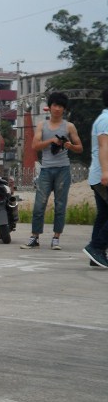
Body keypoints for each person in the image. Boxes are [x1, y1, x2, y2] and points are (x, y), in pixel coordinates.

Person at [20, 92, 83, 250]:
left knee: (60, 204)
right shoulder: (42, 125)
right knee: (39, 204)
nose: (57, 109)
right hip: (46, 169)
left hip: (63, 168)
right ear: (49, 107)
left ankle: (56, 238)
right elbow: (34, 146)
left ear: (64, 109)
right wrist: (52, 140)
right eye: (55, 105)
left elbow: (80, 148)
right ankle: (35, 237)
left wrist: (69, 146)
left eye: (60, 106)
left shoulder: (69, 126)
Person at [83, 89, 108, 268]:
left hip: (97, 175)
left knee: (104, 215)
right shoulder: (106, 119)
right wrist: (106, 172)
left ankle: (95, 256)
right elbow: (103, 146)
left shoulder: (103, 118)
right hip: (103, 175)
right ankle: (96, 247)